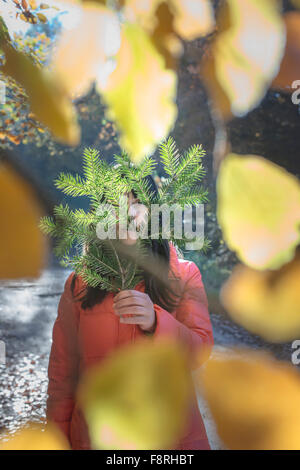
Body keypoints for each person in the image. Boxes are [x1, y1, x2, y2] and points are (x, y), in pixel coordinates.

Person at [46, 175, 214, 450]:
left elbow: (199, 350)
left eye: (136, 202)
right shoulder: (80, 284)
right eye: (116, 204)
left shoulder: (184, 274)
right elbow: (62, 375)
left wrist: (157, 322)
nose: (126, 212)